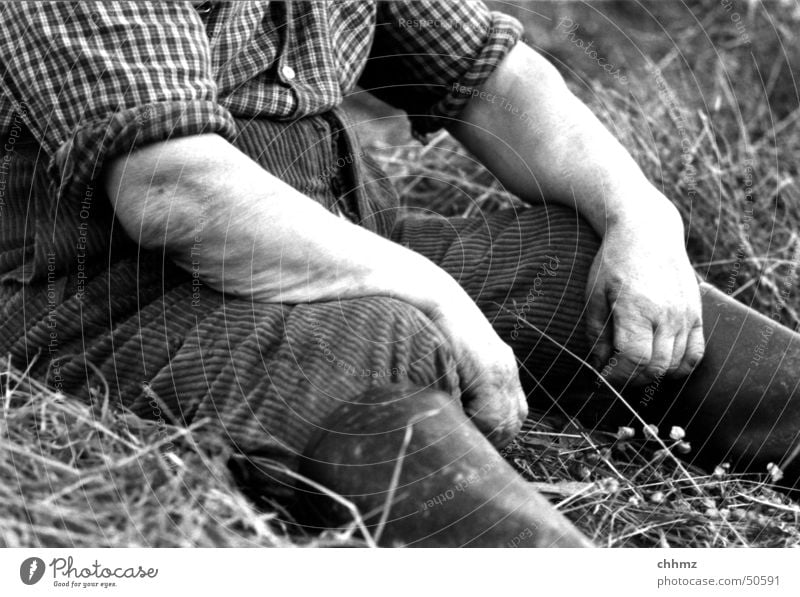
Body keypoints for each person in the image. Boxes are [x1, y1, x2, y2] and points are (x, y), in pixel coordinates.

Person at [0, 1, 797, 547]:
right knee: (368, 343)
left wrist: (644, 221)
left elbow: (494, 80)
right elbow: (174, 189)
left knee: (573, 264)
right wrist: (431, 291)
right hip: (103, 287)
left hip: (336, 228)